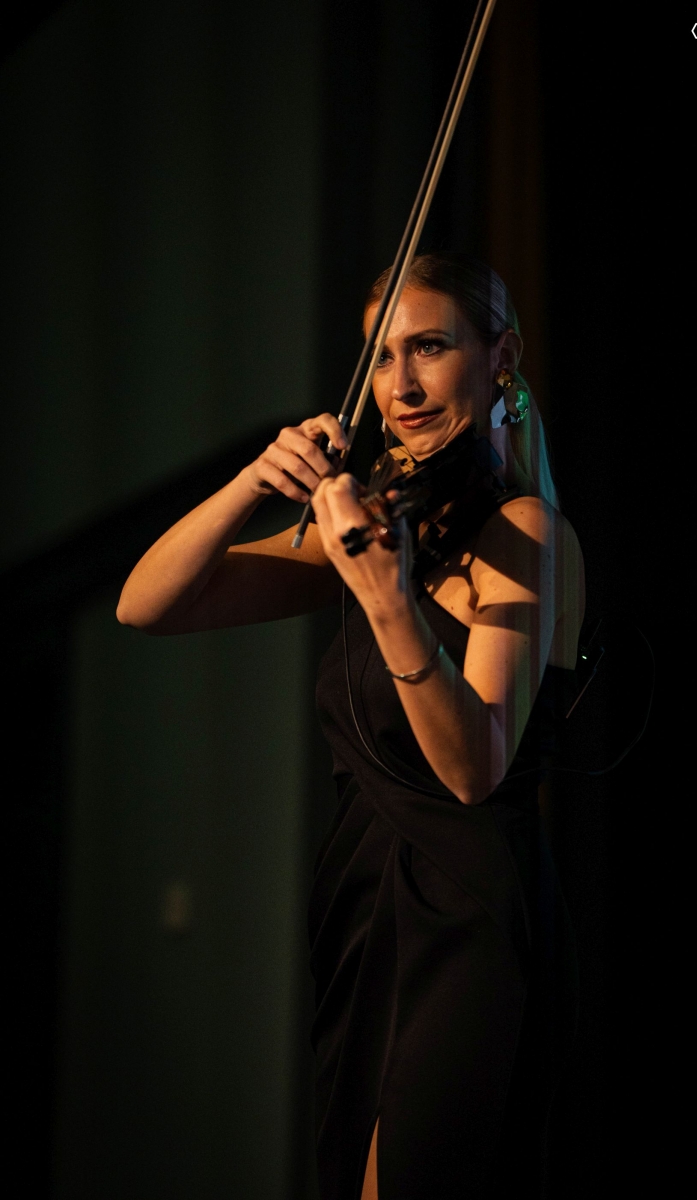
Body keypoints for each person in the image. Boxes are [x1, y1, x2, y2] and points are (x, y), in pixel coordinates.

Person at [118, 252, 585, 1200]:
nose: (400, 387)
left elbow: (473, 769)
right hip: (364, 912)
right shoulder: (387, 524)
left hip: (467, 922)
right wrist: (253, 482)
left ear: (501, 357)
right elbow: (147, 605)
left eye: (430, 348)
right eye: (381, 358)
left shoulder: (526, 533)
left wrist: (386, 596)